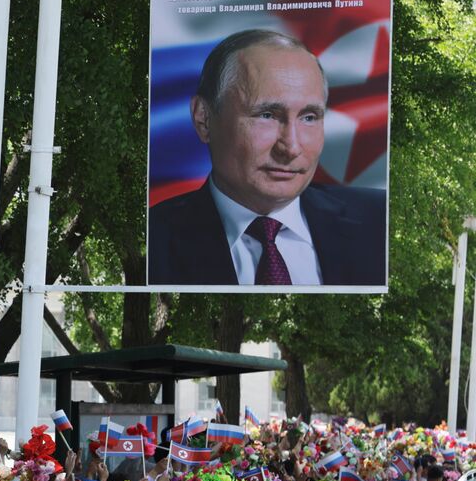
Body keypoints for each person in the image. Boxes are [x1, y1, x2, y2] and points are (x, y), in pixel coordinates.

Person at [148, 29, 385, 287]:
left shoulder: (378, 220)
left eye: (309, 117)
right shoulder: (153, 243)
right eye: (267, 115)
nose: (291, 147)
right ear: (203, 118)